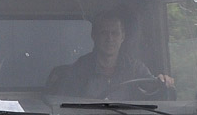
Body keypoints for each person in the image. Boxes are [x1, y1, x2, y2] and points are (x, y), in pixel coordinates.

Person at [45, 10, 174, 100]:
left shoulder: (135, 68)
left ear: (123, 36)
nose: (110, 39)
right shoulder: (79, 69)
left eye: (115, 33)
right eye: (104, 33)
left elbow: (151, 89)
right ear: (94, 36)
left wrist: (163, 82)